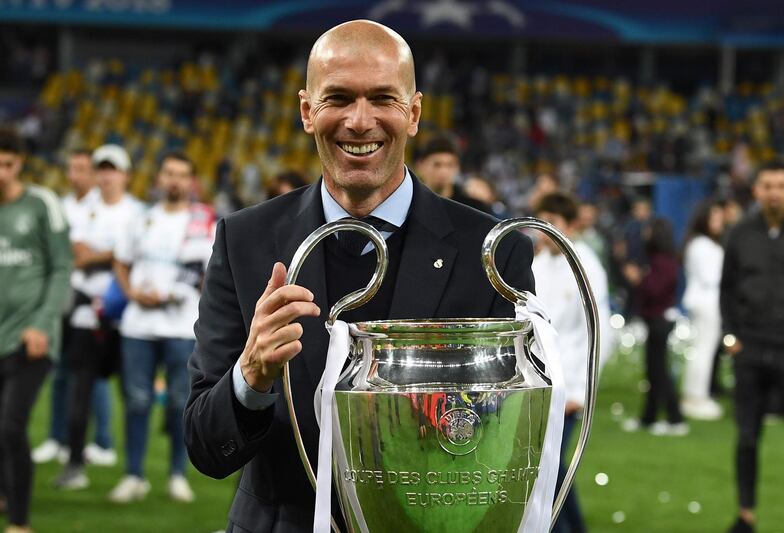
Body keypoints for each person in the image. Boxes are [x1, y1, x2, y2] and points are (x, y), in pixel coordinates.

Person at [183, 20, 534, 532]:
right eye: (339, 98)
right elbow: (205, 447)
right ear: (308, 111)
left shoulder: (494, 254)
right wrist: (250, 376)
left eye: (383, 99)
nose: (359, 121)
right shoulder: (246, 241)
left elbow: (508, 441)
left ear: (413, 113)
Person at [111, 152, 215, 503]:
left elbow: (206, 272)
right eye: (169, 173)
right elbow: (121, 262)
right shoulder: (141, 220)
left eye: (182, 175)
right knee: (136, 402)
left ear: (191, 182)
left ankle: (176, 475)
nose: (174, 180)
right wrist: (131, 293)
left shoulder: (202, 222)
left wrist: (172, 294)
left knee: (179, 403)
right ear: (159, 178)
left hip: (181, 327)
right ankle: (134, 475)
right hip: (138, 325)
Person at [53, 144, 141, 490]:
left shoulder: (136, 212)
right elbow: (74, 251)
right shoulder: (83, 208)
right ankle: (76, 463)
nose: (106, 175)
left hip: (124, 313)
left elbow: (125, 258)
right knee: (80, 386)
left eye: (112, 169)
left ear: (125, 175)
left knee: (136, 396)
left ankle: (133, 471)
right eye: (101, 169)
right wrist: (107, 257)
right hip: (87, 311)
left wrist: (99, 256)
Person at [720, 162, 784, 533]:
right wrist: (731, 337)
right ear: (756, 190)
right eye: (767, 185)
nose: (774, 192)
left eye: (781, 185)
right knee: (747, 438)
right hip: (749, 348)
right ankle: (745, 515)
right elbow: (727, 288)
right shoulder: (739, 233)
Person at [0, 126, 72, 532]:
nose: (0, 173)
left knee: (11, 426)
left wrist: (43, 323)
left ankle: (20, 522)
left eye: (7, 165)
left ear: (20, 164)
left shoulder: (42, 204)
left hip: (30, 338)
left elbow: (61, 267)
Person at [532, 192, 613, 533]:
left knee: (553, 467)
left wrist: (581, 387)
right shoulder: (537, 264)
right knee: (544, 465)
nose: (544, 232)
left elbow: (600, 332)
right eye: (541, 223)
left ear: (569, 225)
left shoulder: (586, 265)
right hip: (541, 382)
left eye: (552, 224)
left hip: (571, 384)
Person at [32, 148, 117, 468]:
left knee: (91, 375)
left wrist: (82, 251)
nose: (75, 175)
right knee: (59, 369)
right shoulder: (62, 205)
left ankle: (103, 440)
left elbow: (81, 250)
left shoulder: (101, 207)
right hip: (64, 294)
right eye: (71, 168)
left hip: (95, 299)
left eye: (82, 168)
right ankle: (58, 438)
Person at [622, 218, 687, 436]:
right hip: (656, 320)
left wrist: (638, 279)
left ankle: (675, 418)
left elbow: (655, 290)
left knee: (659, 372)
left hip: (660, 320)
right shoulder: (660, 260)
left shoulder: (663, 262)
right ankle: (649, 418)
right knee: (654, 371)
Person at [680, 200, 726, 421]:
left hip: (708, 301)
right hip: (707, 302)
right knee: (703, 351)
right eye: (714, 217)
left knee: (703, 350)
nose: (720, 222)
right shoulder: (702, 245)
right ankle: (696, 397)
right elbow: (710, 277)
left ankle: (696, 394)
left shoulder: (703, 244)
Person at [414, 133, 493, 214]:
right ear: (420, 166)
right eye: (437, 165)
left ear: (457, 167)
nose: (444, 171)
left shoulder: (475, 209)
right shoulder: (411, 206)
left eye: (450, 165)